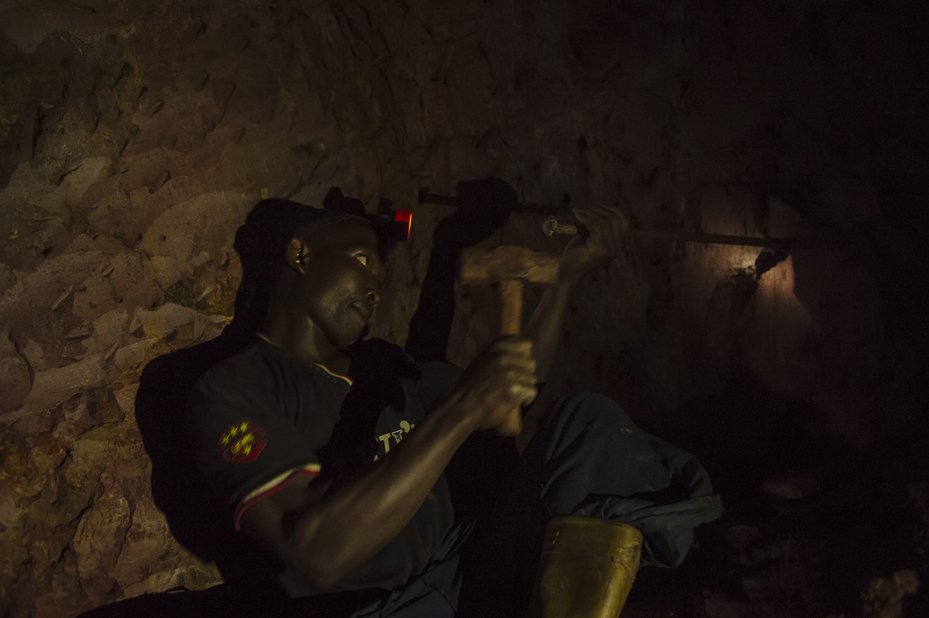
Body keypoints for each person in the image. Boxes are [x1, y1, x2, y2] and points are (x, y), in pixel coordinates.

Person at [184, 196, 722, 616]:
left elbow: (512, 387)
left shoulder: (382, 366)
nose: (375, 287)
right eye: (362, 260)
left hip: (464, 564)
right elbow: (318, 552)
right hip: (373, 609)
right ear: (300, 255)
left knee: (590, 423)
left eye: (379, 275)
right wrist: (461, 409)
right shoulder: (234, 389)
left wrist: (564, 279)